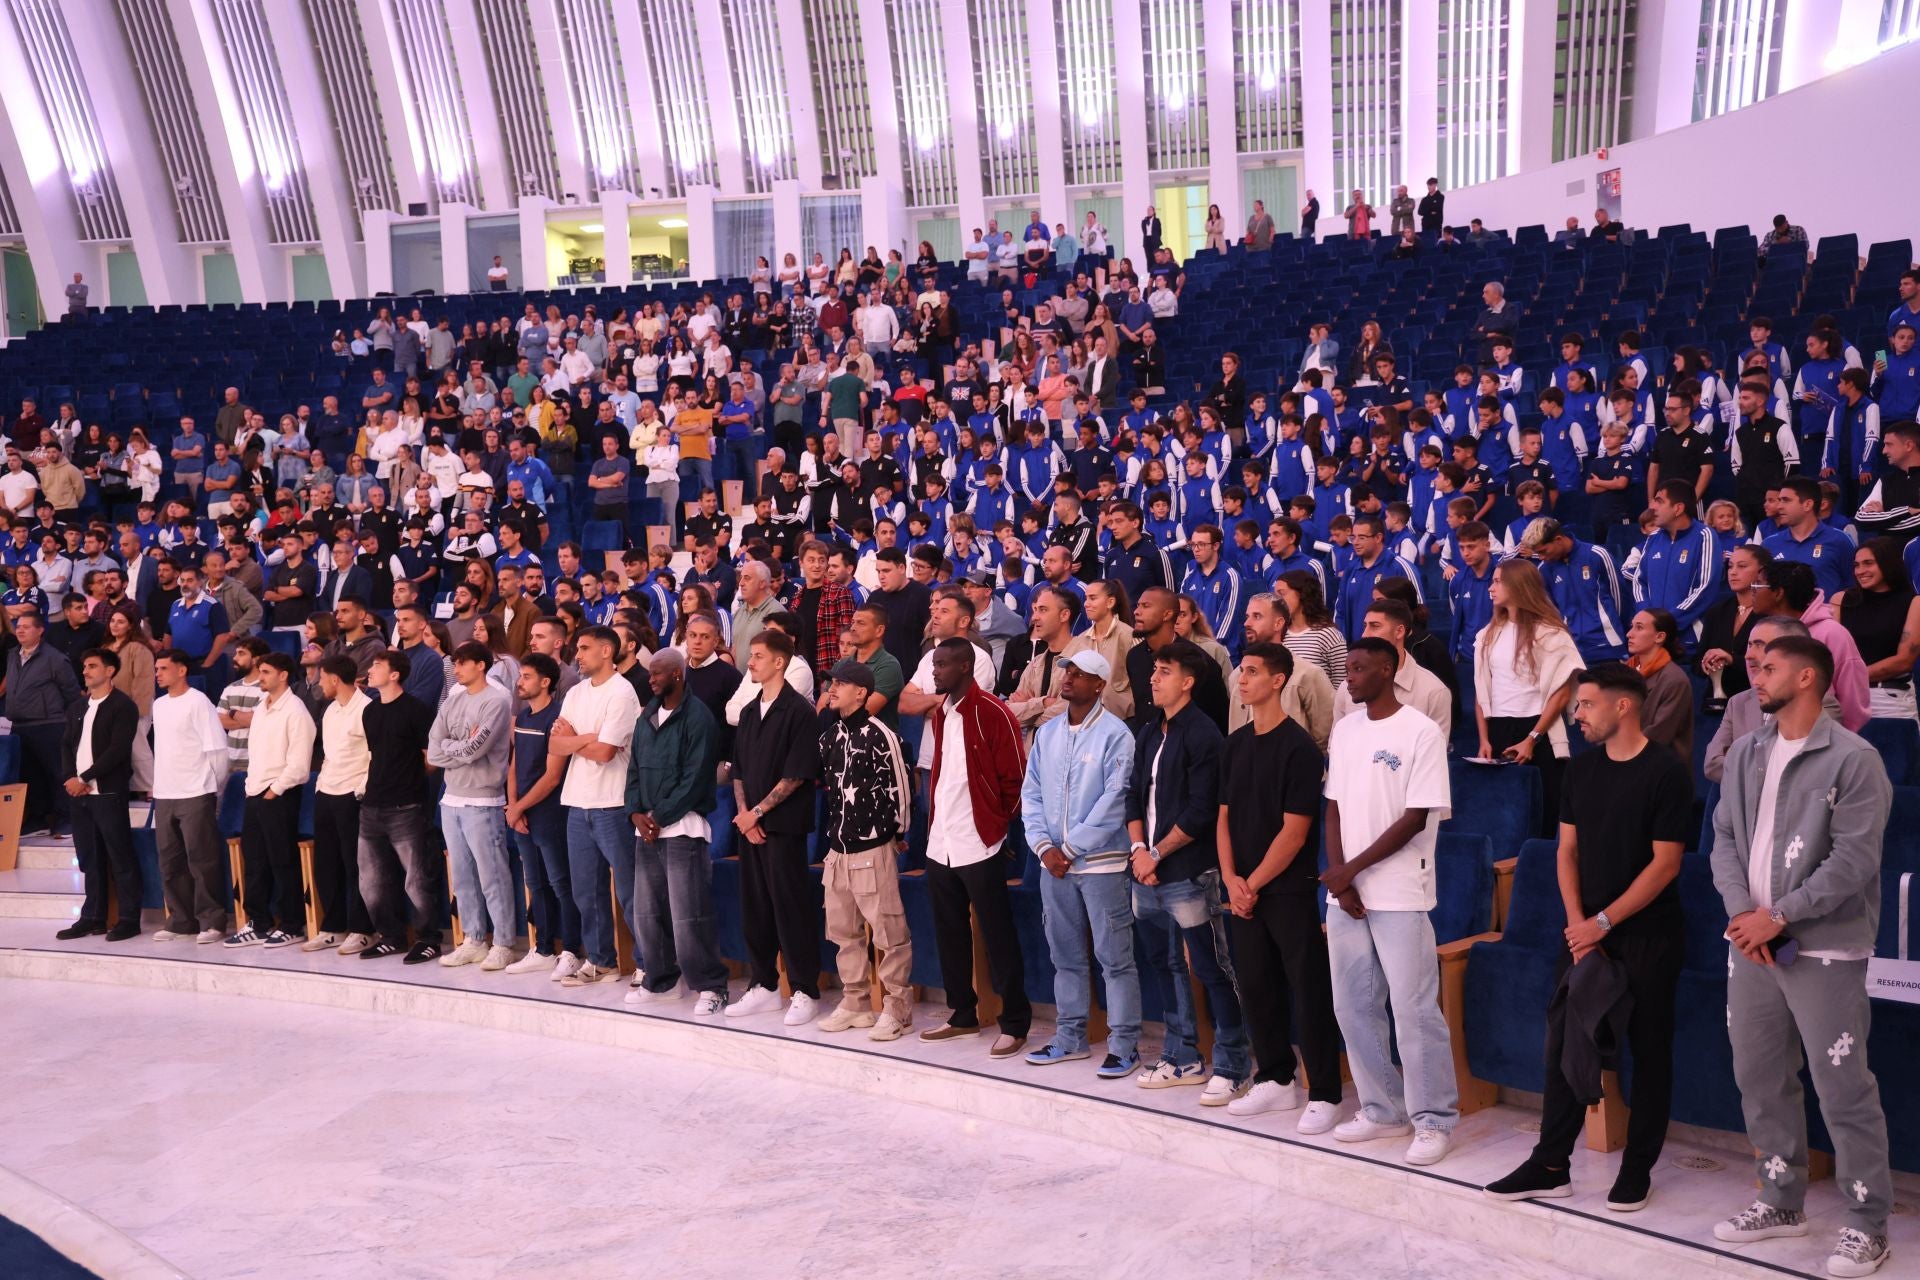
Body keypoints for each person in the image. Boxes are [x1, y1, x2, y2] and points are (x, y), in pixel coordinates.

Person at [1710, 635, 1894, 1278]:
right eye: (1754, 666)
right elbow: (1724, 838)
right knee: (1758, 1077)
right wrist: (1743, 917)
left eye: (1770, 666)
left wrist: (1777, 916)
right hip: (1751, 944)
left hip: (1822, 945)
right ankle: (1782, 1201)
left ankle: (1868, 1223)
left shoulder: (1854, 758)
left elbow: (1854, 861)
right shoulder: (1746, 751)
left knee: (1843, 1087)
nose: (1755, 675)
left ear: (1810, 676)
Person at [1484, 665, 1691, 1213]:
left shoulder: (1667, 771)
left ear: (1623, 707)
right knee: (1564, 1048)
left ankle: (1637, 1169)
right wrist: (1580, 925)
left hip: (1647, 934)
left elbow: (1666, 865)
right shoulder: (1580, 770)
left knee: (1649, 1052)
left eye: (1586, 706)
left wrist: (1602, 924)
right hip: (1584, 935)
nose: (1577, 716)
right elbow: (1566, 851)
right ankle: (1551, 1164)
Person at [1320, 636, 1458, 1165]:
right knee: (1352, 1004)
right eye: (1346, 668)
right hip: (1347, 893)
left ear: (1388, 668)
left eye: (1357, 668)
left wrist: (1350, 870)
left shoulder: (1419, 731)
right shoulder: (1346, 728)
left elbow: (1416, 816)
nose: (1348, 677)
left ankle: (1435, 1120)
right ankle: (1382, 1109)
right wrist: (1341, 878)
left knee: (1413, 1007)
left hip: (1400, 888)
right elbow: (1332, 804)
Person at [1219, 641, 1342, 1131]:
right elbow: (1223, 818)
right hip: (1242, 889)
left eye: (1251, 672)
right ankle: (1275, 1078)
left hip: (1287, 889)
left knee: (1306, 987)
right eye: (1240, 672)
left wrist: (1251, 883)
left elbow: (1295, 832)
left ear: (1278, 681)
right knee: (1254, 983)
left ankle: (1327, 1092)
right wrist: (1232, 880)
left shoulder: (1299, 749)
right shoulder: (1235, 744)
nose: (1241, 679)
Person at [1126, 639, 1251, 1103]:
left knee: (1211, 965)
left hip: (1188, 870)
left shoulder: (1203, 734)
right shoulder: (1148, 732)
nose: (1152, 678)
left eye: (1163, 671)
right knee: (1164, 962)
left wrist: (1156, 855)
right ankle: (1182, 1056)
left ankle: (1234, 1062)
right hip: (1146, 867)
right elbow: (1133, 795)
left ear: (1188, 681)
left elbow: (1201, 811)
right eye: (1153, 670)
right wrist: (1140, 849)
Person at [1020, 650, 1140, 1076]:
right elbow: (1030, 793)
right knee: (1065, 957)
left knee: (1115, 959)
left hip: (1101, 866)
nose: (1070, 677)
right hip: (1053, 865)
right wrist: (1042, 847)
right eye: (1069, 670)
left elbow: (1115, 802)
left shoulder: (1116, 735)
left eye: (1081, 673)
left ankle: (1124, 1044)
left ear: (1099, 685)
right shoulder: (1049, 733)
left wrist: (1068, 850)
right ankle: (1070, 1037)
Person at [918, 636, 1031, 1056]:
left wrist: (998, 825)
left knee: (998, 935)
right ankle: (962, 1014)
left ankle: (1015, 1022)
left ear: (965, 667)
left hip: (981, 840)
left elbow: (1015, 778)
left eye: (943, 664)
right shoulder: (942, 714)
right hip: (941, 839)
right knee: (949, 932)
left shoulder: (994, 712)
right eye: (934, 663)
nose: (935, 671)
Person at [727, 628, 825, 1023]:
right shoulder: (750, 711)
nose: (750, 662)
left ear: (780, 661)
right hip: (750, 827)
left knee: (790, 908)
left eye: (758, 656)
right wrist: (744, 815)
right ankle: (763, 984)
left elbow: (796, 775)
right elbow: (739, 772)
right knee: (755, 908)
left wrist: (758, 814)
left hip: (783, 827)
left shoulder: (799, 711)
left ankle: (805, 989)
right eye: (750, 655)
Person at [815, 659, 915, 1040]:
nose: (833, 689)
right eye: (831, 684)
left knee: (889, 933)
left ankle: (897, 1009)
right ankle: (855, 1002)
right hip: (837, 849)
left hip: (873, 848)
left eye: (840, 684)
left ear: (862, 692)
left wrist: (898, 832)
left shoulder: (881, 735)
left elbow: (902, 790)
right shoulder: (829, 737)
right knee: (843, 933)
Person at [625, 648, 728, 1016]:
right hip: (648, 831)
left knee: (690, 915)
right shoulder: (646, 716)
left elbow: (695, 778)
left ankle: (711, 986)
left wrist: (658, 816)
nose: (650, 679)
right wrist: (636, 812)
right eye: (650, 673)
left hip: (682, 828)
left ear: (677, 675)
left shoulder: (698, 717)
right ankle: (662, 980)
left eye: (657, 673)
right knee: (647, 915)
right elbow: (634, 768)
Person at [552, 626, 643, 988]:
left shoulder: (622, 692)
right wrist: (585, 739)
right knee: (585, 890)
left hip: (614, 802)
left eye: (585, 648)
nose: (578, 654)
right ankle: (601, 960)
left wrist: (574, 740)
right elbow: (554, 745)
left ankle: (650, 963)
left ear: (607, 651)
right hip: (577, 801)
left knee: (631, 891)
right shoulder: (574, 692)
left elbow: (606, 753)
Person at [1473, 560, 1581, 835]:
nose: (1491, 587)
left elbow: (1562, 691)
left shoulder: (1550, 632)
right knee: (1502, 818)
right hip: (1499, 727)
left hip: (1537, 730)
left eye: (1498, 581)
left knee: (1541, 815)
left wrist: (1532, 738)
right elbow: (1482, 691)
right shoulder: (1487, 635)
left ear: (1519, 585)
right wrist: (1484, 739)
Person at [429, 641, 518, 971]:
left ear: (481, 665)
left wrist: (455, 748)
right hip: (450, 799)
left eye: (463, 662)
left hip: (483, 800)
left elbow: (474, 751)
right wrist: (458, 746)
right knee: (463, 877)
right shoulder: (453, 701)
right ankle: (474, 939)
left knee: (492, 876)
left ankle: (504, 942)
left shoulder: (496, 701)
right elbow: (433, 750)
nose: (458, 668)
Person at [354, 649, 441, 962]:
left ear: (394, 674)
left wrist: (409, 779)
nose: (371, 670)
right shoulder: (370, 711)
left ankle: (428, 938)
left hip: (406, 805)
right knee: (371, 880)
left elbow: (431, 758)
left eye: (377, 665)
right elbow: (376, 753)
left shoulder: (416, 710)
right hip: (372, 803)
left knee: (417, 879)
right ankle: (390, 935)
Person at [226, 652, 315, 948]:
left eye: (265, 672)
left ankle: (292, 923)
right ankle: (259, 922)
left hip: (280, 794)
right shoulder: (262, 707)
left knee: (282, 861)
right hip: (256, 792)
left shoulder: (296, 711)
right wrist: (254, 788)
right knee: (255, 862)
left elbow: (299, 764)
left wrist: (275, 790)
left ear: (283, 675)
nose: (260, 676)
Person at [503, 652, 583, 979]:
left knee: (560, 883)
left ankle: (572, 951)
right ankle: (544, 948)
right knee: (535, 883)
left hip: (549, 814)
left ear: (545, 682)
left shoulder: (558, 718)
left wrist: (520, 807)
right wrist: (512, 806)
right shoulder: (522, 717)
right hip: (521, 814)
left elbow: (551, 776)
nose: (519, 682)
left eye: (526, 677)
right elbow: (513, 765)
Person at [53, 649, 141, 941]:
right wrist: (69, 777)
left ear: (110, 671)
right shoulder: (78, 706)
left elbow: (117, 751)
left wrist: (85, 777)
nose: (86, 671)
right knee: (89, 858)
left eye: (92, 666)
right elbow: (66, 744)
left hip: (107, 791)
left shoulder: (123, 706)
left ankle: (129, 918)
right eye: (85, 666)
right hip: (79, 794)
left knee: (120, 856)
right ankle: (93, 917)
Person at [149, 649, 230, 943]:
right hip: (165, 792)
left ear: (181, 670)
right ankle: (182, 920)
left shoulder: (198, 702)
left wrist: (213, 787)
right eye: (156, 668)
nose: (157, 673)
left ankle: (212, 921)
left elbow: (217, 749)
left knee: (202, 860)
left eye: (163, 668)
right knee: (170, 862)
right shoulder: (158, 705)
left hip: (196, 790)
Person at [306, 654, 375, 955]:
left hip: (353, 793)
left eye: (322, 677)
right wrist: (321, 785)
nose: (320, 683)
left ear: (335, 679)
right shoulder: (330, 711)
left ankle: (363, 929)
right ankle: (332, 927)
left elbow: (374, 755)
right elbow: (329, 754)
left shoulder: (367, 709)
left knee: (355, 865)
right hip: (327, 791)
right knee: (326, 863)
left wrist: (360, 790)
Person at [1754, 558, 1871, 733]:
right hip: (1769, 740)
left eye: (1757, 585)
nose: (1752, 592)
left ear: (1778, 593)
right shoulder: (1759, 632)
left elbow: (1852, 700)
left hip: (1825, 742)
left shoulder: (1832, 633)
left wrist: (1839, 743)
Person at [6, 610, 81, 837]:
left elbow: (71, 693)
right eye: (18, 626)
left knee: (57, 774)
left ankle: (66, 819)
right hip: (20, 725)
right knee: (31, 776)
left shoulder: (55, 658)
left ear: (40, 630)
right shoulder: (12, 654)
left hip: (49, 724)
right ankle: (38, 819)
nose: (20, 630)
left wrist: (66, 721)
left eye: (27, 626)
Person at [1832, 537, 1920, 720]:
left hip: (1890, 699)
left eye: (1868, 563)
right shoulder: (1840, 600)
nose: (1860, 571)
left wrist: (1850, 678)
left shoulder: (1914, 603)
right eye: (1856, 565)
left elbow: (1904, 660)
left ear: (1888, 564)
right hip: (1844, 697)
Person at [1624, 608, 1696, 766]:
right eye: (1631, 626)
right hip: (1626, 764)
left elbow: (1659, 735)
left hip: (1660, 773)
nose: (1629, 633)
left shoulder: (1674, 680)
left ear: (1660, 636)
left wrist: (1618, 751)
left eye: (1639, 627)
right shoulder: (1622, 676)